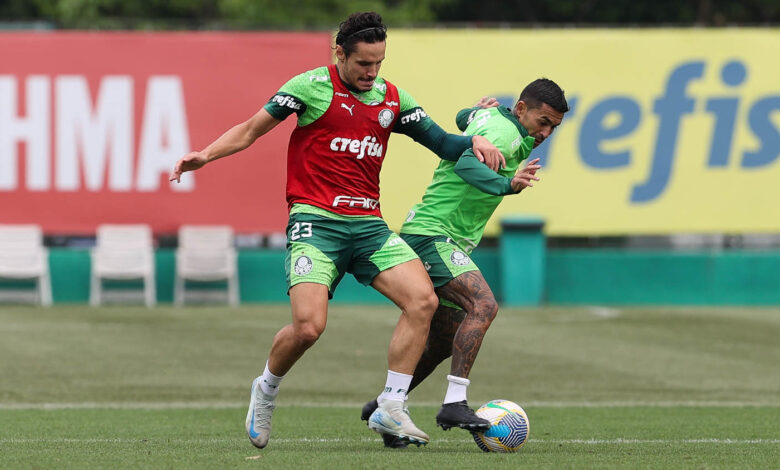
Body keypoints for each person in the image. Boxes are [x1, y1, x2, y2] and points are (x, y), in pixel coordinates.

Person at [169, 11, 504, 449]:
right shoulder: (309, 87)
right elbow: (251, 130)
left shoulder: (392, 99)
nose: (372, 72)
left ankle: (392, 405)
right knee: (308, 328)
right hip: (316, 222)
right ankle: (266, 388)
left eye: (379, 63)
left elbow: (441, 141)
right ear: (339, 53)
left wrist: (472, 139)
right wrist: (205, 156)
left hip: (368, 226)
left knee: (422, 300)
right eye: (364, 63)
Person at [361, 78, 569, 447]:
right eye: (543, 121)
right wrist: (507, 185)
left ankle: (385, 406)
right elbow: (465, 166)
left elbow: (464, 118)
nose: (546, 132)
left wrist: (474, 111)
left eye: (553, 126)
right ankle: (455, 402)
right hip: (433, 235)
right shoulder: (503, 134)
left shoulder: (498, 124)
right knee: (484, 305)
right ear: (521, 109)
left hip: (433, 234)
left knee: (444, 336)